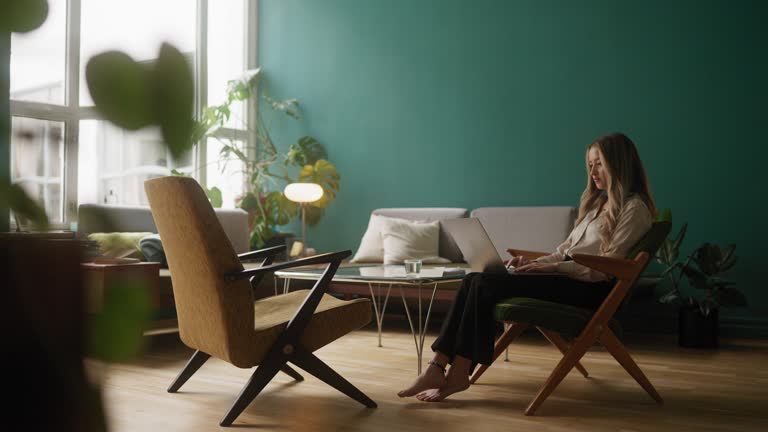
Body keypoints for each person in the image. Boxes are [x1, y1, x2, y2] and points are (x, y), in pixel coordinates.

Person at [398, 132, 657, 402]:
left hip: (591, 289)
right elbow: (563, 253)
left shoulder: (634, 209)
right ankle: (439, 366)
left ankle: (456, 371)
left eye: (599, 163)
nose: (592, 171)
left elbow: (607, 268)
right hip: (570, 280)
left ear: (619, 164)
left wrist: (553, 269)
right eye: (590, 164)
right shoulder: (597, 205)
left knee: (484, 284)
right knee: (475, 278)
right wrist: (535, 264)